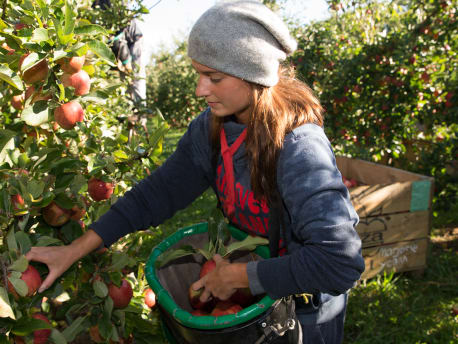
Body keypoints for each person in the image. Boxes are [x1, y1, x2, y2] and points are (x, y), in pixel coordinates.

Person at [26, 1, 365, 343]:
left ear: (253, 74)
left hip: (304, 315)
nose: (201, 90)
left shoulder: (299, 149)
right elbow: (154, 196)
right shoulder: (212, 130)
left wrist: (241, 277)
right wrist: (75, 249)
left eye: (214, 77)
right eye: (198, 74)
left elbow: (340, 262)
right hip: (250, 305)